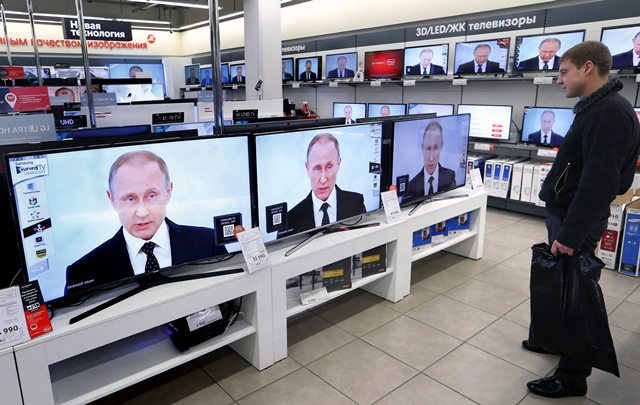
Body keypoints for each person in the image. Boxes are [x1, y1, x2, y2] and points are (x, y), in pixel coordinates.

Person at [523, 41, 639, 399]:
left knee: (577, 295)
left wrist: (572, 233)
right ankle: (556, 340)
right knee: (561, 287)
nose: (558, 79)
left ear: (588, 68)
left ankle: (573, 375)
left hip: (576, 221)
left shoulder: (608, 112)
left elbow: (602, 182)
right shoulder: (597, 108)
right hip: (568, 213)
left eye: (563, 71)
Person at [65, 151, 227, 296]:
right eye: (130, 198)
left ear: (168, 192)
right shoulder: (82, 273)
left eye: (151, 196)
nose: (142, 212)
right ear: (112, 199)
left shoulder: (209, 243)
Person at [277, 133, 366, 238]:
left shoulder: (356, 203)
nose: (323, 179)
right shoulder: (290, 220)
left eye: (329, 167)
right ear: (307, 168)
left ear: (338, 164)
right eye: (317, 168)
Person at [406, 121, 456, 199]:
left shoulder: (450, 177)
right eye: (428, 149)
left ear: (441, 147)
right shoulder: (411, 186)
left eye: (435, 148)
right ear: (422, 148)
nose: (431, 158)